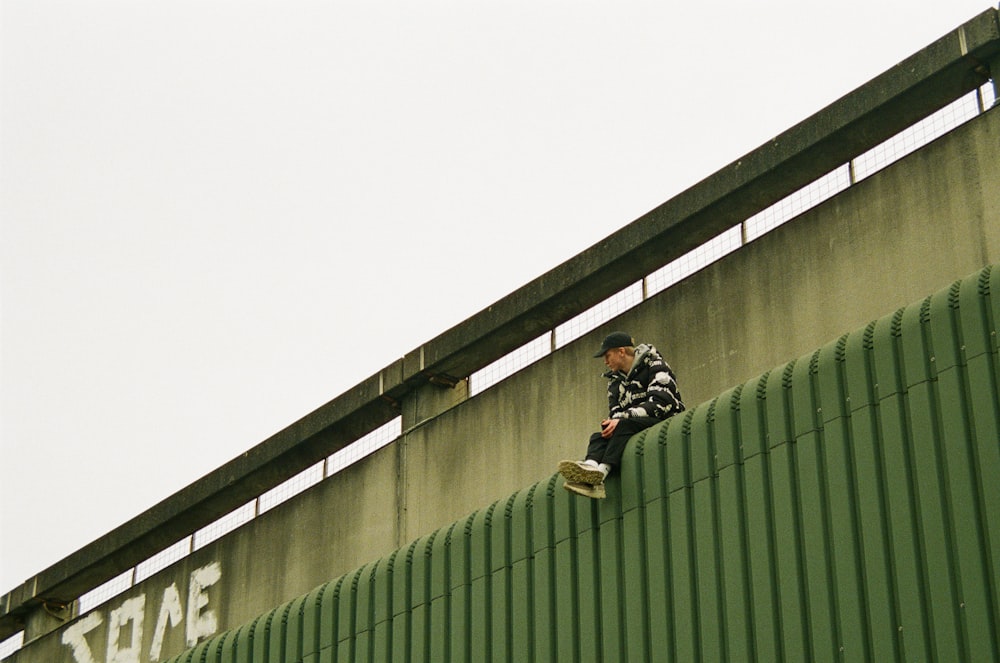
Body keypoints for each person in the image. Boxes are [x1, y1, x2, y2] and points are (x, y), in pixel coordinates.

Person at [559, 331, 685, 498]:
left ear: (621, 352)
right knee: (599, 436)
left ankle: (600, 477)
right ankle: (590, 467)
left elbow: (660, 402)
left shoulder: (655, 364)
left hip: (665, 418)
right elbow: (615, 412)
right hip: (632, 424)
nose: (605, 361)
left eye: (608, 355)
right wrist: (611, 424)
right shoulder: (614, 383)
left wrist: (622, 418)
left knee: (621, 425)